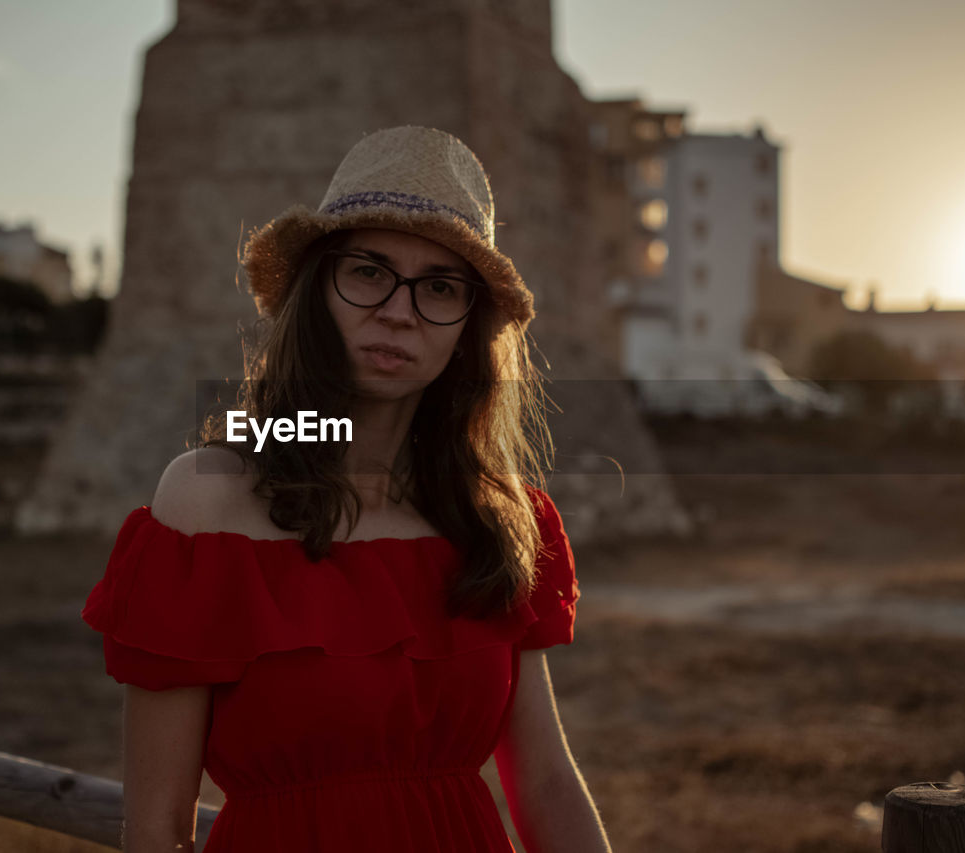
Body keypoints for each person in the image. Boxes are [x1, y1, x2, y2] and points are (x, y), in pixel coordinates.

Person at [82, 126, 613, 852]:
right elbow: (157, 828)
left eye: (440, 287)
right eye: (369, 271)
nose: (399, 310)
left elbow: (547, 782)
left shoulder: (498, 512)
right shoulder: (209, 499)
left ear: (468, 328)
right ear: (315, 289)